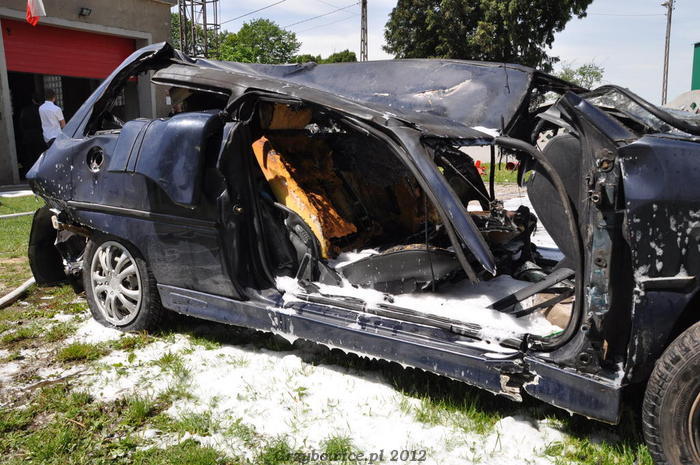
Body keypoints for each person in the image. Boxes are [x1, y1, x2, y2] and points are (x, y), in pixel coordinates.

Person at [18, 92, 47, 177]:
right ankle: (41, 175)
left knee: (31, 158)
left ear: (33, 100)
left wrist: (25, 133)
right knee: (41, 157)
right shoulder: (43, 110)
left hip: (28, 137)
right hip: (40, 136)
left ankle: (31, 175)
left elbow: (21, 125)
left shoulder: (25, 111)